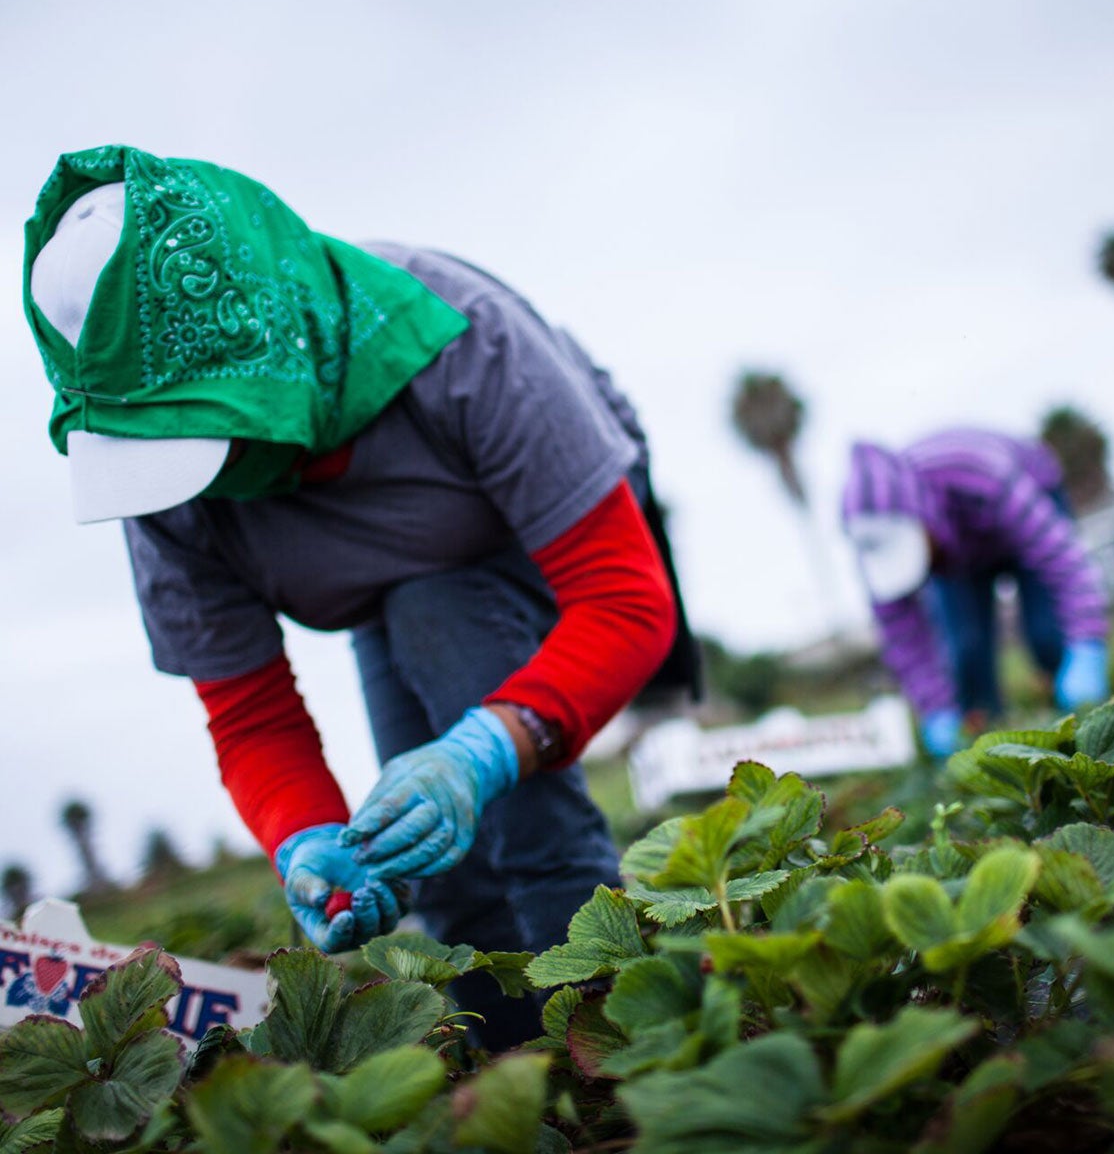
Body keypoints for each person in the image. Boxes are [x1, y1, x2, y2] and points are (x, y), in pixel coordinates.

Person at [22, 145, 700, 1048]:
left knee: (491, 764)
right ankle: (511, 1059)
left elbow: (624, 599)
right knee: (423, 848)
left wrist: (486, 750)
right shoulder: (161, 496)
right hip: (391, 592)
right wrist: (304, 839)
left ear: (263, 348)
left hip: (544, 553)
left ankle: (622, 1037)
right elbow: (250, 716)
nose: (191, 478)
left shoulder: (461, 340)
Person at [841, 428, 1109, 758]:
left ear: (921, 518)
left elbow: (1061, 559)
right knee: (966, 653)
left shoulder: (974, 473)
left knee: (1048, 634)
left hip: (1027, 494)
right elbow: (902, 633)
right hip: (959, 549)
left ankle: (1081, 739)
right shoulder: (872, 543)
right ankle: (990, 756)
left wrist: (1086, 642)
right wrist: (935, 708)